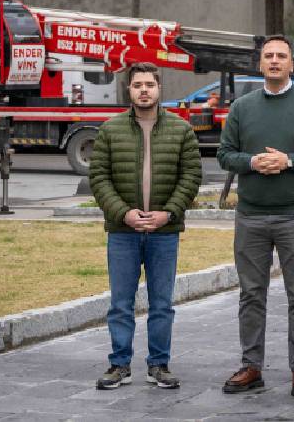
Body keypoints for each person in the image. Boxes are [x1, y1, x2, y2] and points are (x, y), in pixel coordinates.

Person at [217, 35, 294, 398]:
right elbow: (225, 155)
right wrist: (252, 162)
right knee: (251, 294)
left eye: (281, 56)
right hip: (251, 216)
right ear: (259, 64)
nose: (274, 61)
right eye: (268, 56)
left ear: (291, 65)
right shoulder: (242, 107)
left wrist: (290, 161)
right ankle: (251, 365)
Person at [90, 63, 202, 391]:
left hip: (164, 233)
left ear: (159, 88)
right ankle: (119, 364)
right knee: (120, 303)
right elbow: (98, 177)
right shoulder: (110, 130)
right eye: (137, 84)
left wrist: (169, 213)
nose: (143, 90)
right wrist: (122, 213)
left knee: (162, 303)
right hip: (123, 232)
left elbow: (191, 176)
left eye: (149, 84)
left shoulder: (181, 130)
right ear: (129, 89)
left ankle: (159, 365)